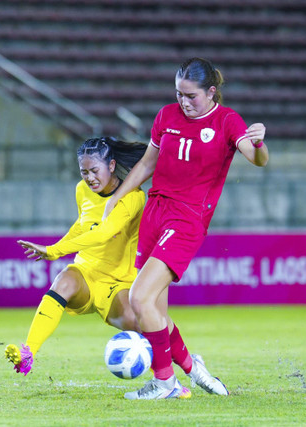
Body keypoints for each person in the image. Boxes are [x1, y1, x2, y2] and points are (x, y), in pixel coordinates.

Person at [102, 57, 269, 400]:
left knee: (138, 298)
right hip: (155, 212)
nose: (183, 101)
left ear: (211, 92)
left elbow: (256, 159)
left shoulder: (226, 121)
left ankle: (164, 382)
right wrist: (118, 195)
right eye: (178, 94)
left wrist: (260, 141)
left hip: (187, 219)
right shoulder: (166, 115)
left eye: (190, 95)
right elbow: (149, 162)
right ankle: (193, 369)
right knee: (154, 312)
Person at [5, 137, 151, 377]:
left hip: (117, 284)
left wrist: (55, 251)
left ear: (112, 166)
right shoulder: (81, 190)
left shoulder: (133, 197)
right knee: (63, 281)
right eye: (84, 172)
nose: (89, 178)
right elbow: (82, 226)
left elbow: (104, 233)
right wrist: (56, 245)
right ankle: (27, 353)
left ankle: (169, 379)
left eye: (95, 171)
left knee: (145, 328)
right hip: (85, 272)